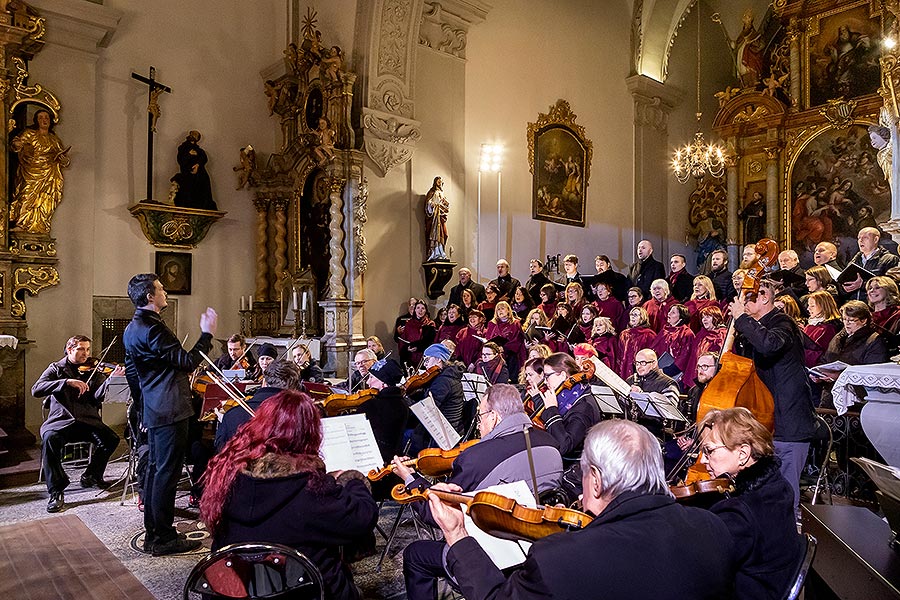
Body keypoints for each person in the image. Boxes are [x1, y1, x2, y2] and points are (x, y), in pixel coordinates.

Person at [431, 420, 735, 600]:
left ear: (597, 481)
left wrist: (457, 533)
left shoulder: (558, 558)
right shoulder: (714, 528)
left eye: (585, 472)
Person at [200, 390, 378, 600]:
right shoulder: (312, 488)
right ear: (309, 434)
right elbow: (363, 517)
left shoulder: (227, 479)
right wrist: (353, 480)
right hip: (305, 593)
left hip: (234, 591)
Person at [398, 384, 563, 600]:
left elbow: (435, 514)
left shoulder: (476, 457)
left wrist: (410, 479)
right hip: (541, 546)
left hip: (490, 553)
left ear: (493, 417)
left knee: (415, 554)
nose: (479, 423)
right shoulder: (551, 442)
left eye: (481, 416)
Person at [123, 273, 217, 556]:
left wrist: (141, 407)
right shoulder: (153, 329)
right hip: (170, 409)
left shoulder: (133, 327)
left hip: (155, 407)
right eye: (161, 289)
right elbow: (188, 362)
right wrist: (207, 333)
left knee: (154, 472)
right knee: (166, 474)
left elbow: (132, 373)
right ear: (150, 296)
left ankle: (156, 532)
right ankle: (162, 538)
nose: (165, 293)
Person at [699, 407, 805, 600]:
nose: (703, 459)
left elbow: (701, 565)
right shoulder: (777, 486)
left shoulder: (741, 511)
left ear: (742, 454)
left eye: (709, 451)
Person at [731, 279, 817, 514]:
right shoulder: (752, 328)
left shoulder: (783, 322)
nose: (743, 302)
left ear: (764, 298)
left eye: (748, 297)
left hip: (787, 422)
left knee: (785, 495)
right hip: (766, 422)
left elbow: (769, 344)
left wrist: (742, 319)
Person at [33, 335, 123, 512]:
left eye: (88, 349)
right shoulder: (56, 369)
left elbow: (98, 397)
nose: (86, 354)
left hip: (87, 421)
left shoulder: (94, 370)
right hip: (61, 422)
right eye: (81, 349)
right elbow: (36, 389)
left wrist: (112, 380)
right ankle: (56, 491)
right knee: (49, 440)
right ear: (69, 349)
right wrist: (66, 382)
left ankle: (91, 475)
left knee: (111, 439)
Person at [214, 359, 301, 452]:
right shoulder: (299, 416)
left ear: (264, 382)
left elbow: (221, 453)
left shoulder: (232, 414)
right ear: (295, 389)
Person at [10, 108, 70, 234]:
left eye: (47, 118)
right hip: (31, 171)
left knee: (45, 199)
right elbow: (16, 144)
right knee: (26, 195)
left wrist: (63, 159)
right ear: (36, 121)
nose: (44, 120)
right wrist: (18, 145)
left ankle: (40, 224)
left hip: (49, 174)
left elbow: (63, 159)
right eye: (41, 118)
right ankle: (22, 223)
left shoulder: (54, 139)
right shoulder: (29, 134)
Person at [536, 352, 602, 459]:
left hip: (576, 467)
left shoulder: (583, 406)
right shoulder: (563, 397)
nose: (544, 381)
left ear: (562, 375)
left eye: (547, 376)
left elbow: (565, 446)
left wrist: (552, 409)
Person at [409, 343, 467, 452]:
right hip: (450, 427)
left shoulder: (444, 381)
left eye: (427, 360)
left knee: (406, 433)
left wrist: (407, 401)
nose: (425, 364)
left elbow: (427, 408)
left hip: (443, 434)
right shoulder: (447, 376)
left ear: (438, 360)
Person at [362, 358, 410, 463]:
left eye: (371, 377)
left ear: (384, 383)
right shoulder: (402, 402)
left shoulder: (373, 405)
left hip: (377, 459)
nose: (368, 382)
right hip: (396, 456)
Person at [842, 227, 900, 301]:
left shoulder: (889, 259)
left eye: (865, 237)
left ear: (875, 239)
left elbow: (891, 285)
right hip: (855, 305)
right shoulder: (854, 261)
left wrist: (863, 285)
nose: (861, 240)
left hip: (875, 306)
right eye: (859, 238)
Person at [170, 130, 217, 210]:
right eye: (193, 135)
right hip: (187, 172)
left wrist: (198, 165)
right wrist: (189, 154)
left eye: (196, 136)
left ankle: (203, 204)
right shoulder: (183, 148)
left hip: (199, 173)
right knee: (187, 185)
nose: (193, 137)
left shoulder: (199, 150)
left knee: (204, 181)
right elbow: (180, 160)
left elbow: (204, 158)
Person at [683, 305, 727, 388]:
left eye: (708, 316)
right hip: (698, 373)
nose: (704, 319)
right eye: (703, 317)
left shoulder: (723, 334)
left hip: (714, 376)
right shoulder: (701, 334)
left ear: (716, 317)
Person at [650, 304, 694, 380]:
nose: (669, 313)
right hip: (658, 370)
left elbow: (685, 357)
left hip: (676, 375)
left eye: (673, 312)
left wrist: (667, 371)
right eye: (669, 311)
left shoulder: (687, 333)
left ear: (681, 317)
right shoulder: (664, 331)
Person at [484, 300, 527, 380]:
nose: (500, 311)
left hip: (511, 355)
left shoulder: (515, 323)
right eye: (498, 309)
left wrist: (504, 348)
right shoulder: (492, 323)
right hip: (495, 355)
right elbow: (488, 338)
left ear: (508, 310)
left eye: (502, 308)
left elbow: (518, 339)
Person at [803, 291, 841, 368]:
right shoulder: (810, 325)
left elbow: (823, 355)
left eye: (812, 306)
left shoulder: (828, 329)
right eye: (808, 305)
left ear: (823, 306)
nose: (808, 309)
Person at [617, 306, 656, 380]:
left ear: (642, 317)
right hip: (625, 368)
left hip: (641, 369)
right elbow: (620, 353)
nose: (632, 317)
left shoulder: (649, 334)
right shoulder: (624, 334)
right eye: (631, 315)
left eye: (635, 315)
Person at [399, 300, 436, 368]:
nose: (420, 310)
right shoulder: (409, 324)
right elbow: (403, 340)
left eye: (423, 308)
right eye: (418, 308)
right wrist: (407, 348)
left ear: (426, 311)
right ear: (415, 310)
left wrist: (418, 348)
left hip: (424, 358)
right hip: (410, 357)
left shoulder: (430, 324)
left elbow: (431, 342)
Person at [424, 176, 450, 261]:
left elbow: (445, 205)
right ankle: (434, 253)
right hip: (434, 217)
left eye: (441, 182)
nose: (440, 184)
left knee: (444, 234)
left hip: (440, 216)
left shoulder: (442, 193)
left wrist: (445, 204)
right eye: (438, 182)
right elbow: (428, 203)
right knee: (434, 235)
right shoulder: (432, 192)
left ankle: (441, 252)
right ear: (435, 182)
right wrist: (431, 205)